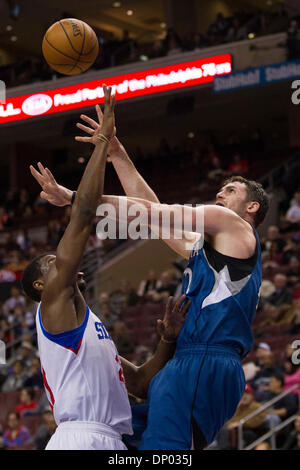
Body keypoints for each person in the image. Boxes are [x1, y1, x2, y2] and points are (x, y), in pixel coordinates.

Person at [33, 105, 269, 449]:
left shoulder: (235, 226)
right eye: (222, 190)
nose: (220, 194)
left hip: (206, 358)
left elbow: (153, 211)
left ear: (252, 208)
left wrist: (74, 198)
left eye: (231, 190)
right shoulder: (210, 247)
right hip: (186, 360)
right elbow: (157, 220)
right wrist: (118, 154)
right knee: (121, 439)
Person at [23, 86, 191, 450]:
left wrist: (166, 341)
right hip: (79, 438)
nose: (62, 261)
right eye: (52, 263)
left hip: (112, 440)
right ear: (41, 286)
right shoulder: (52, 305)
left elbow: (143, 384)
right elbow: (83, 214)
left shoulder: (91, 330)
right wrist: (103, 143)